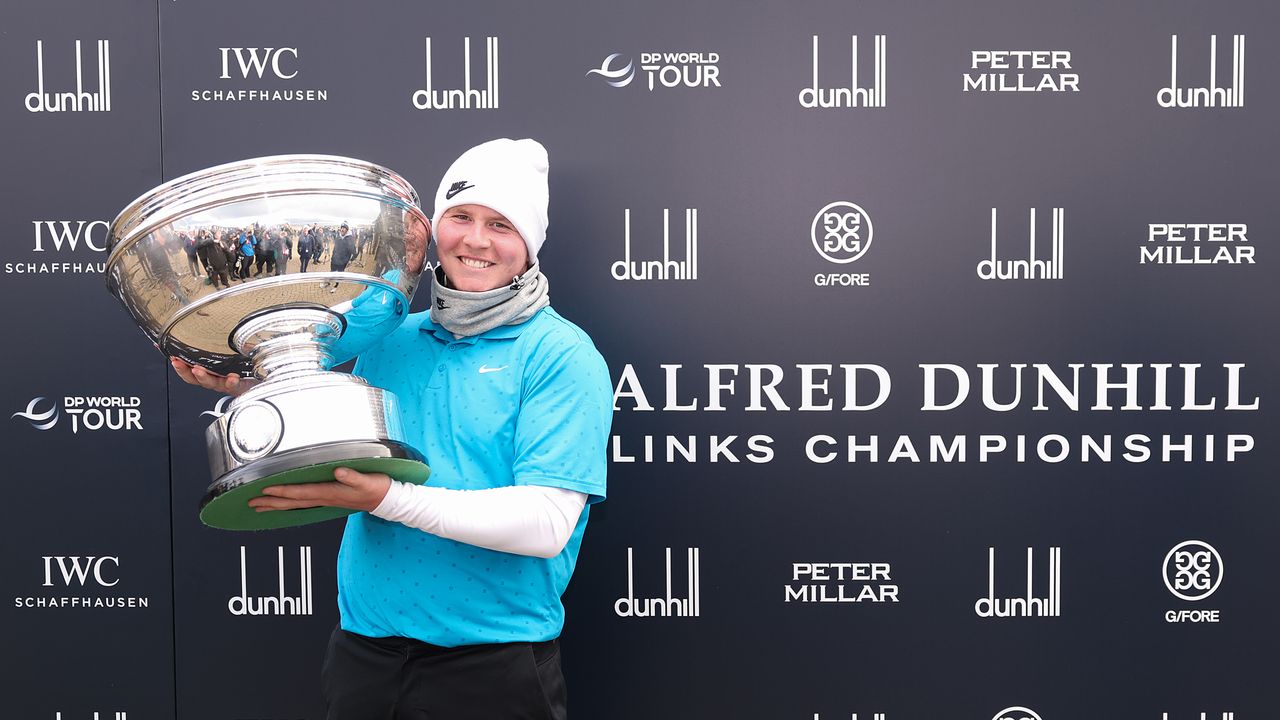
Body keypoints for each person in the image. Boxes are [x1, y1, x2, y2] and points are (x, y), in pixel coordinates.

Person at [171, 139, 611, 720]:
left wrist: (385, 498)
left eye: (501, 224)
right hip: (364, 661)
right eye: (460, 217)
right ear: (435, 230)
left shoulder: (560, 354)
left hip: (492, 670)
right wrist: (252, 389)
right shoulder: (388, 332)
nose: (476, 240)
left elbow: (546, 524)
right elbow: (334, 427)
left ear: (530, 244)